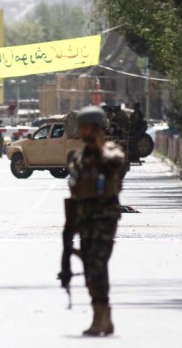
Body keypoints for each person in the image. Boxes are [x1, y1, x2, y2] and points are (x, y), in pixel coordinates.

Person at [58, 106, 125, 337]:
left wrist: (99, 148)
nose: (83, 130)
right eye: (82, 127)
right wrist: (69, 230)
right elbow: (74, 188)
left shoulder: (112, 152)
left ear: (98, 129)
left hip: (105, 218)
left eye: (87, 127)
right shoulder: (78, 158)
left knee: (97, 264)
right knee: (89, 268)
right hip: (84, 220)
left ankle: (100, 317)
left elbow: (115, 166)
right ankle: (104, 316)